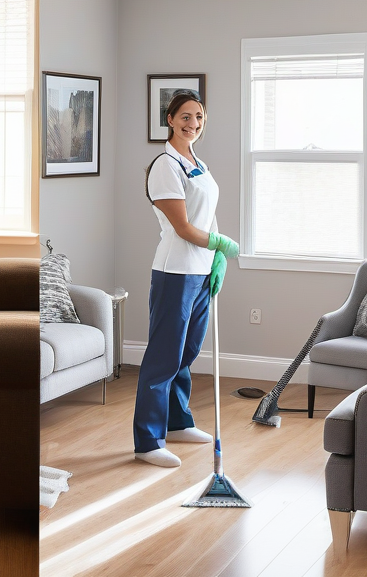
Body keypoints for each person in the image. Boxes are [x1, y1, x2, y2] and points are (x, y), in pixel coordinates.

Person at [133, 89, 239, 468]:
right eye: (185, 117)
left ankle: (178, 423)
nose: (193, 124)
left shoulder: (198, 161)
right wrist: (221, 243)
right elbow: (183, 227)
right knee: (163, 357)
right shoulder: (165, 165)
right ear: (170, 120)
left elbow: (207, 216)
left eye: (199, 117)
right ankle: (148, 440)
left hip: (199, 271)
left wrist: (217, 258)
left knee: (187, 353)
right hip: (174, 271)